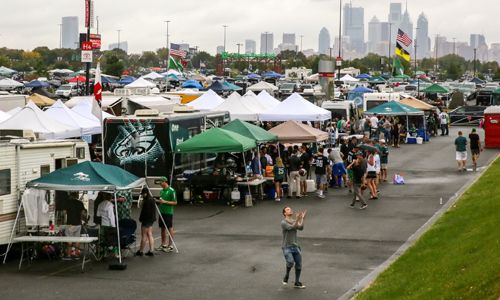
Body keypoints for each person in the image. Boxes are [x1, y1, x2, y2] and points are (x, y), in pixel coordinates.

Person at [281, 206, 307, 289]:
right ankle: (287, 275)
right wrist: (297, 219)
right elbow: (292, 227)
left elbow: (301, 228)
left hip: (295, 246)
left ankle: (297, 282)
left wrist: (302, 219)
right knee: (290, 262)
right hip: (287, 247)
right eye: (288, 209)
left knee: (299, 265)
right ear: (284, 213)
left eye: (290, 209)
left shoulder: (293, 220)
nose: (290, 210)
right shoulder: (283, 222)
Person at [63, 193, 86, 260]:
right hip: (78, 224)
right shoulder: (80, 203)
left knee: (69, 240)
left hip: (70, 224)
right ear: (77, 196)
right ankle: (76, 255)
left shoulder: (68, 202)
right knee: (77, 240)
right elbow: (83, 213)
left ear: (71, 196)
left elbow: (64, 213)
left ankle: (69, 255)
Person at [156, 177, 177, 252]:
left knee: (169, 228)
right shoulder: (161, 191)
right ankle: (163, 244)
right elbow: (161, 200)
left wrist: (165, 202)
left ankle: (170, 245)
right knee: (162, 228)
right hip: (161, 212)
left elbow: (175, 202)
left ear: (165, 182)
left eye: (161, 183)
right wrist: (157, 201)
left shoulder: (172, 191)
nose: (160, 184)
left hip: (168, 212)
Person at [136, 188, 156, 257]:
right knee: (150, 234)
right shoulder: (152, 199)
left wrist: (141, 219)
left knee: (144, 235)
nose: (142, 196)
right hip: (151, 219)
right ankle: (151, 250)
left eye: (142, 194)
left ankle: (141, 251)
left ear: (145, 193)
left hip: (146, 220)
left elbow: (145, 212)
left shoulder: (147, 201)